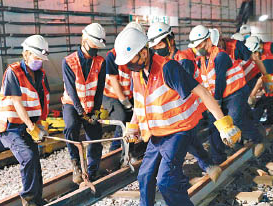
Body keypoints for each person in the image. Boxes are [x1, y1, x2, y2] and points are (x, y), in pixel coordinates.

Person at [114, 27, 241, 206]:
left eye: (132, 58)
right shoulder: (137, 72)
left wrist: (223, 124)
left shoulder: (168, 68)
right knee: (144, 174)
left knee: (166, 182)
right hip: (157, 132)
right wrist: (132, 126)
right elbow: (139, 102)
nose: (128, 64)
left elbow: (202, 92)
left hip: (177, 131)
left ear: (144, 52)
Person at [147, 22, 221, 182]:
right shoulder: (160, 63)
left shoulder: (182, 59)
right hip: (173, 114)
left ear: (170, 40)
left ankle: (204, 167)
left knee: (186, 141)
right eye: (155, 45)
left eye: (160, 43)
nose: (157, 48)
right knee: (187, 142)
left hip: (187, 110)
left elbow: (183, 92)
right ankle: (206, 166)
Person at [189, 25, 264, 165]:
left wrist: (216, 99)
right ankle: (218, 159)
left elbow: (220, 80)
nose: (198, 48)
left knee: (236, 120)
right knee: (215, 125)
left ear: (209, 40)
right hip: (219, 95)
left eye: (200, 45)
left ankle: (256, 139)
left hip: (235, 93)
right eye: (196, 46)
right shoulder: (202, 59)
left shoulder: (220, 56)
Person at [0, 35, 51, 206]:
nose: (39, 62)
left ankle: (38, 200)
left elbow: (41, 100)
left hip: (29, 125)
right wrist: (32, 127)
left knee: (35, 159)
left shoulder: (40, 75)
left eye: (41, 59)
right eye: (37, 58)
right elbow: (17, 102)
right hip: (11, 126)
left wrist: (40, 124)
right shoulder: (13, 71)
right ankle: (28, 201)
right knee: (27, 157)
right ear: (26, 54)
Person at [61, 23, 107, 183]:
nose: (95, 50)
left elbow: (100, 88)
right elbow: (71, 89)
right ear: (84, 40)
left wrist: (94, 111)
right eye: (93, 46)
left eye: (97, 47)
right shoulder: (69, 62)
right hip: (72, 104)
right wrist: (81, 112)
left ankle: (92, 171)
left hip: (91, 105)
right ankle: (76, 166)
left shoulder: (101, 62)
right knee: (71, 127)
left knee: (95, 136)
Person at [103, 22, 143, 153]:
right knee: (122, 118)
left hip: (130, 95)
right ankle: (115, 152)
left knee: (133, 123)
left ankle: (129, 152)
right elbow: (114, 80)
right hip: (111, 95)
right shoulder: (112, 55)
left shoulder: (139, 55)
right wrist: (124, 101)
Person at [244, 36, 273, 135]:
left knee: (265, 103)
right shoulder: (262, 57)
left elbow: (263, 80)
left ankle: (253, 126)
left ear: (258, 49)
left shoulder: (270, 50)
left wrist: (253, 95)